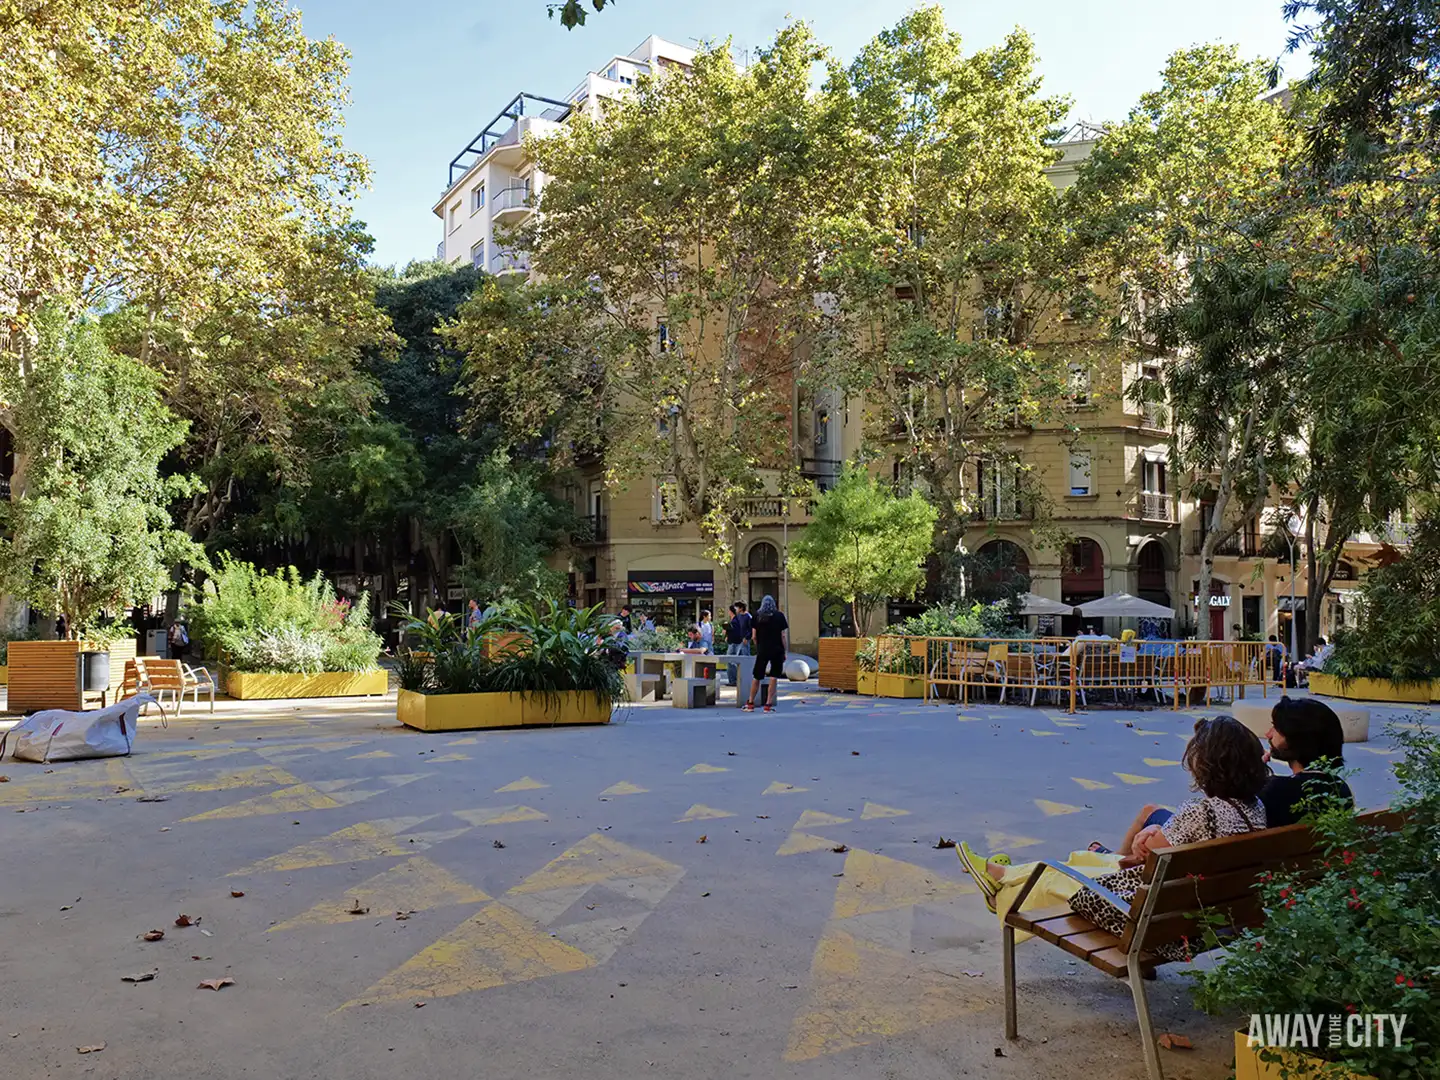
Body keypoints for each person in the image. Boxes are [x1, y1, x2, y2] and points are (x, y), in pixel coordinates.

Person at [956, 715, 1269, 960]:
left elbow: (1145, 853)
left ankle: (1000, 892)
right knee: (1081, 860)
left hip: (1149, 923)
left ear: (1208, 765)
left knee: (1054, 875)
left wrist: (1145, 837)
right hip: (1201, 916)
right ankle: (1003, 878)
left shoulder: (1200, 811)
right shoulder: (1255, 809)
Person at [1262, 696, 1353, 826]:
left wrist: (1252, 774)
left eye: (1276, 728)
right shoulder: (1340, 788)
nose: (1268, 734)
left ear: (1296, 740)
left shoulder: (1276, 791)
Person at [745, 595, 788, 712]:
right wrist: (784, 650)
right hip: (777, 649)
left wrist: (758, 646)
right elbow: (782, 636)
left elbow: (754, 636)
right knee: (774, 676)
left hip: (763, 649)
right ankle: (768, 704)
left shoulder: (757, 616)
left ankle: (750, 703)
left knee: (757, 676)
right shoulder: (779, 616)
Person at [725, 602, 751, 686]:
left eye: (736, 607)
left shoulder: (748, 617)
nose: (735, 609)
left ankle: (746, 680)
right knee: (733, 661)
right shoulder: (738, 617)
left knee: (744, 660)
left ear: (741, 608)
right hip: (736, 641)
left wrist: (747, 637)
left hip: (744, 641)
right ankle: (734, 680)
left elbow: (751, 629)